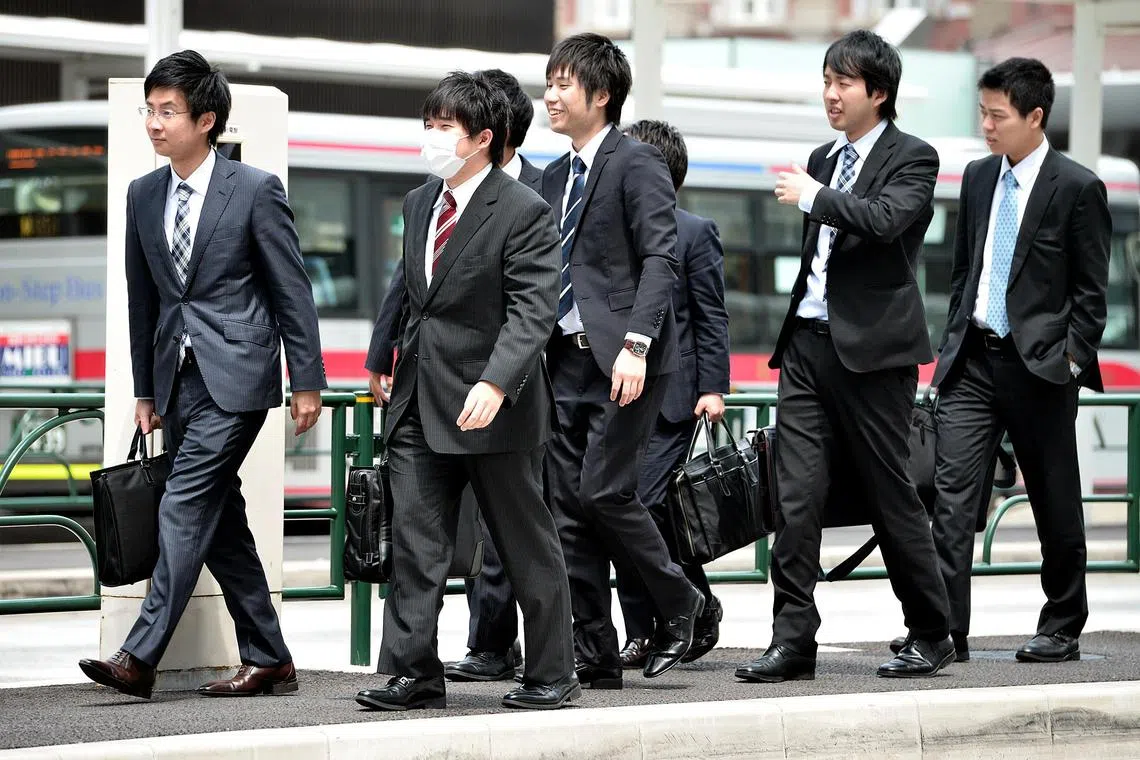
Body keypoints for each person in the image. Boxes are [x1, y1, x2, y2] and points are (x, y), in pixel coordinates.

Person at [78, 50, 326, 699]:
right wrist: (142, 390)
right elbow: (144, 300)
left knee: (185, 503)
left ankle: (139, 654)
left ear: (206, 119)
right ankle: (269, 655)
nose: (155, 123)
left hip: (238, 374)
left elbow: (291, 291)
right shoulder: (143, 194)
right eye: (150, 110)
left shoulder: (254, 189)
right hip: (175, 380)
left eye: (169, 111)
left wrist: (307, 379)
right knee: (220, 520)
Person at [734, 30, 954, 684]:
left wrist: (814, 196)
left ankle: (930, 630)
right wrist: (816, 188)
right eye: (826, 80)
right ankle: (793, 639)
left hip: (876, 356)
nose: (830, 94)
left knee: (892, 496)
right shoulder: (820, 157)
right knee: (794, 498)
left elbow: (886, 221)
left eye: (844, 83)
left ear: (877, 93)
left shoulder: (915, 156)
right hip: (805, 348)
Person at [355, 71, 578, 711]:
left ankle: (551, 673)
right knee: (417, 544)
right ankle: (414, 673)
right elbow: (409, 292)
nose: (431, 137)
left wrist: (496, 382)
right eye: (428, 124)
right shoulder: (419, 202)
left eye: (444, 127)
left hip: (493, 409)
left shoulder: (524, 210)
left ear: (482, 138)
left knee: (523, 541)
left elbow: (533, 311)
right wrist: (382, 356)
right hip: (420, 400)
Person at [915, 57, 1110, 664]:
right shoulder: (976, 178)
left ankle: (1062, 624)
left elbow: (1092, 296)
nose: (986, 126)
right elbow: (962, 274)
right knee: (951, 496)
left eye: (997, 115)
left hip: (1042, 369)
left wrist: (1071, 361)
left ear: (1035, 116)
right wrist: (951, 344)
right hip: (973, 361)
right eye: (983, 112)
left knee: (1054, 498)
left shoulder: (1077, 187)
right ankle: (946, 630)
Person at [541, 33, 704, 689]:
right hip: (561, 362)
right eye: (548, 82)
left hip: (625, 361)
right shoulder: (552, 176)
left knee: (604, 490)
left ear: (600, 95)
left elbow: (662, 261)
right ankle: (595, 650)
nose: (550, 95)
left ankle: (682, 602)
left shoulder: (637, 163)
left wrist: (637, 345)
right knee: (565, 511)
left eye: (563, 84)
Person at [611, 119, 731, 669]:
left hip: (676, 397)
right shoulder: (608, 228)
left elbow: (711, 316)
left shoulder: (694, 231)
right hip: (619, 393)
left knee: (646, 503)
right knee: (615, 508)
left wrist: (713, 387)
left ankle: (691, 603)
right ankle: (643, 628)